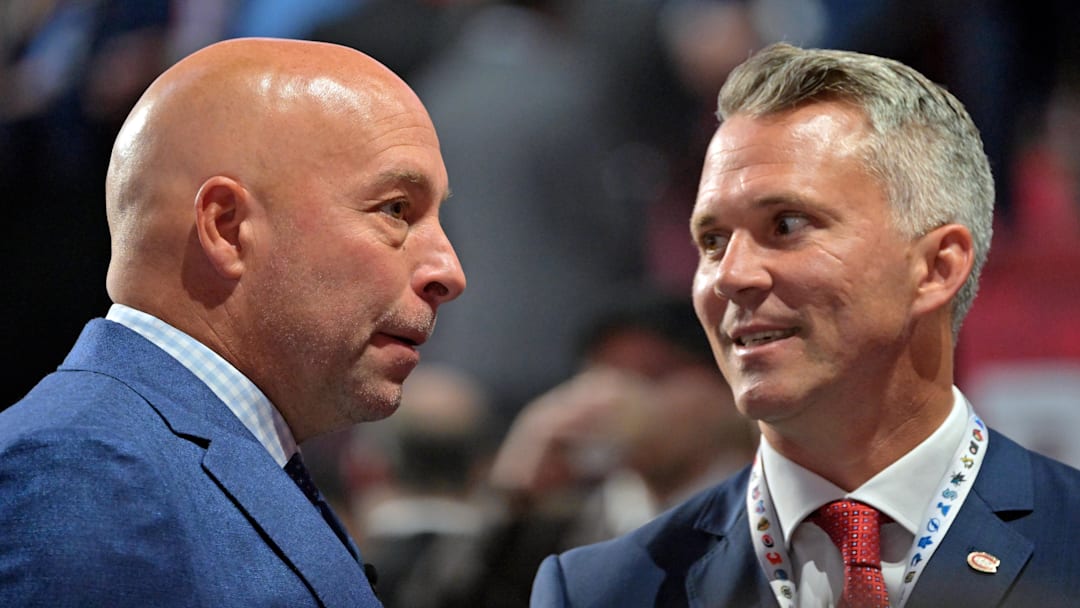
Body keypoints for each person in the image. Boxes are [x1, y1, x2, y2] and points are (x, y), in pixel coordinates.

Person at [531, 42, 1080, 607]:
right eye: (712, 241)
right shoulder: (598, 592)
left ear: (936, 268)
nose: (731, 276)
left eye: (787, 224)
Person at [0, 37, 465, 607]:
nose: (449, 270)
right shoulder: (83, 470)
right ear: (226, 228)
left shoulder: (155, 459)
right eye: (396, 209)